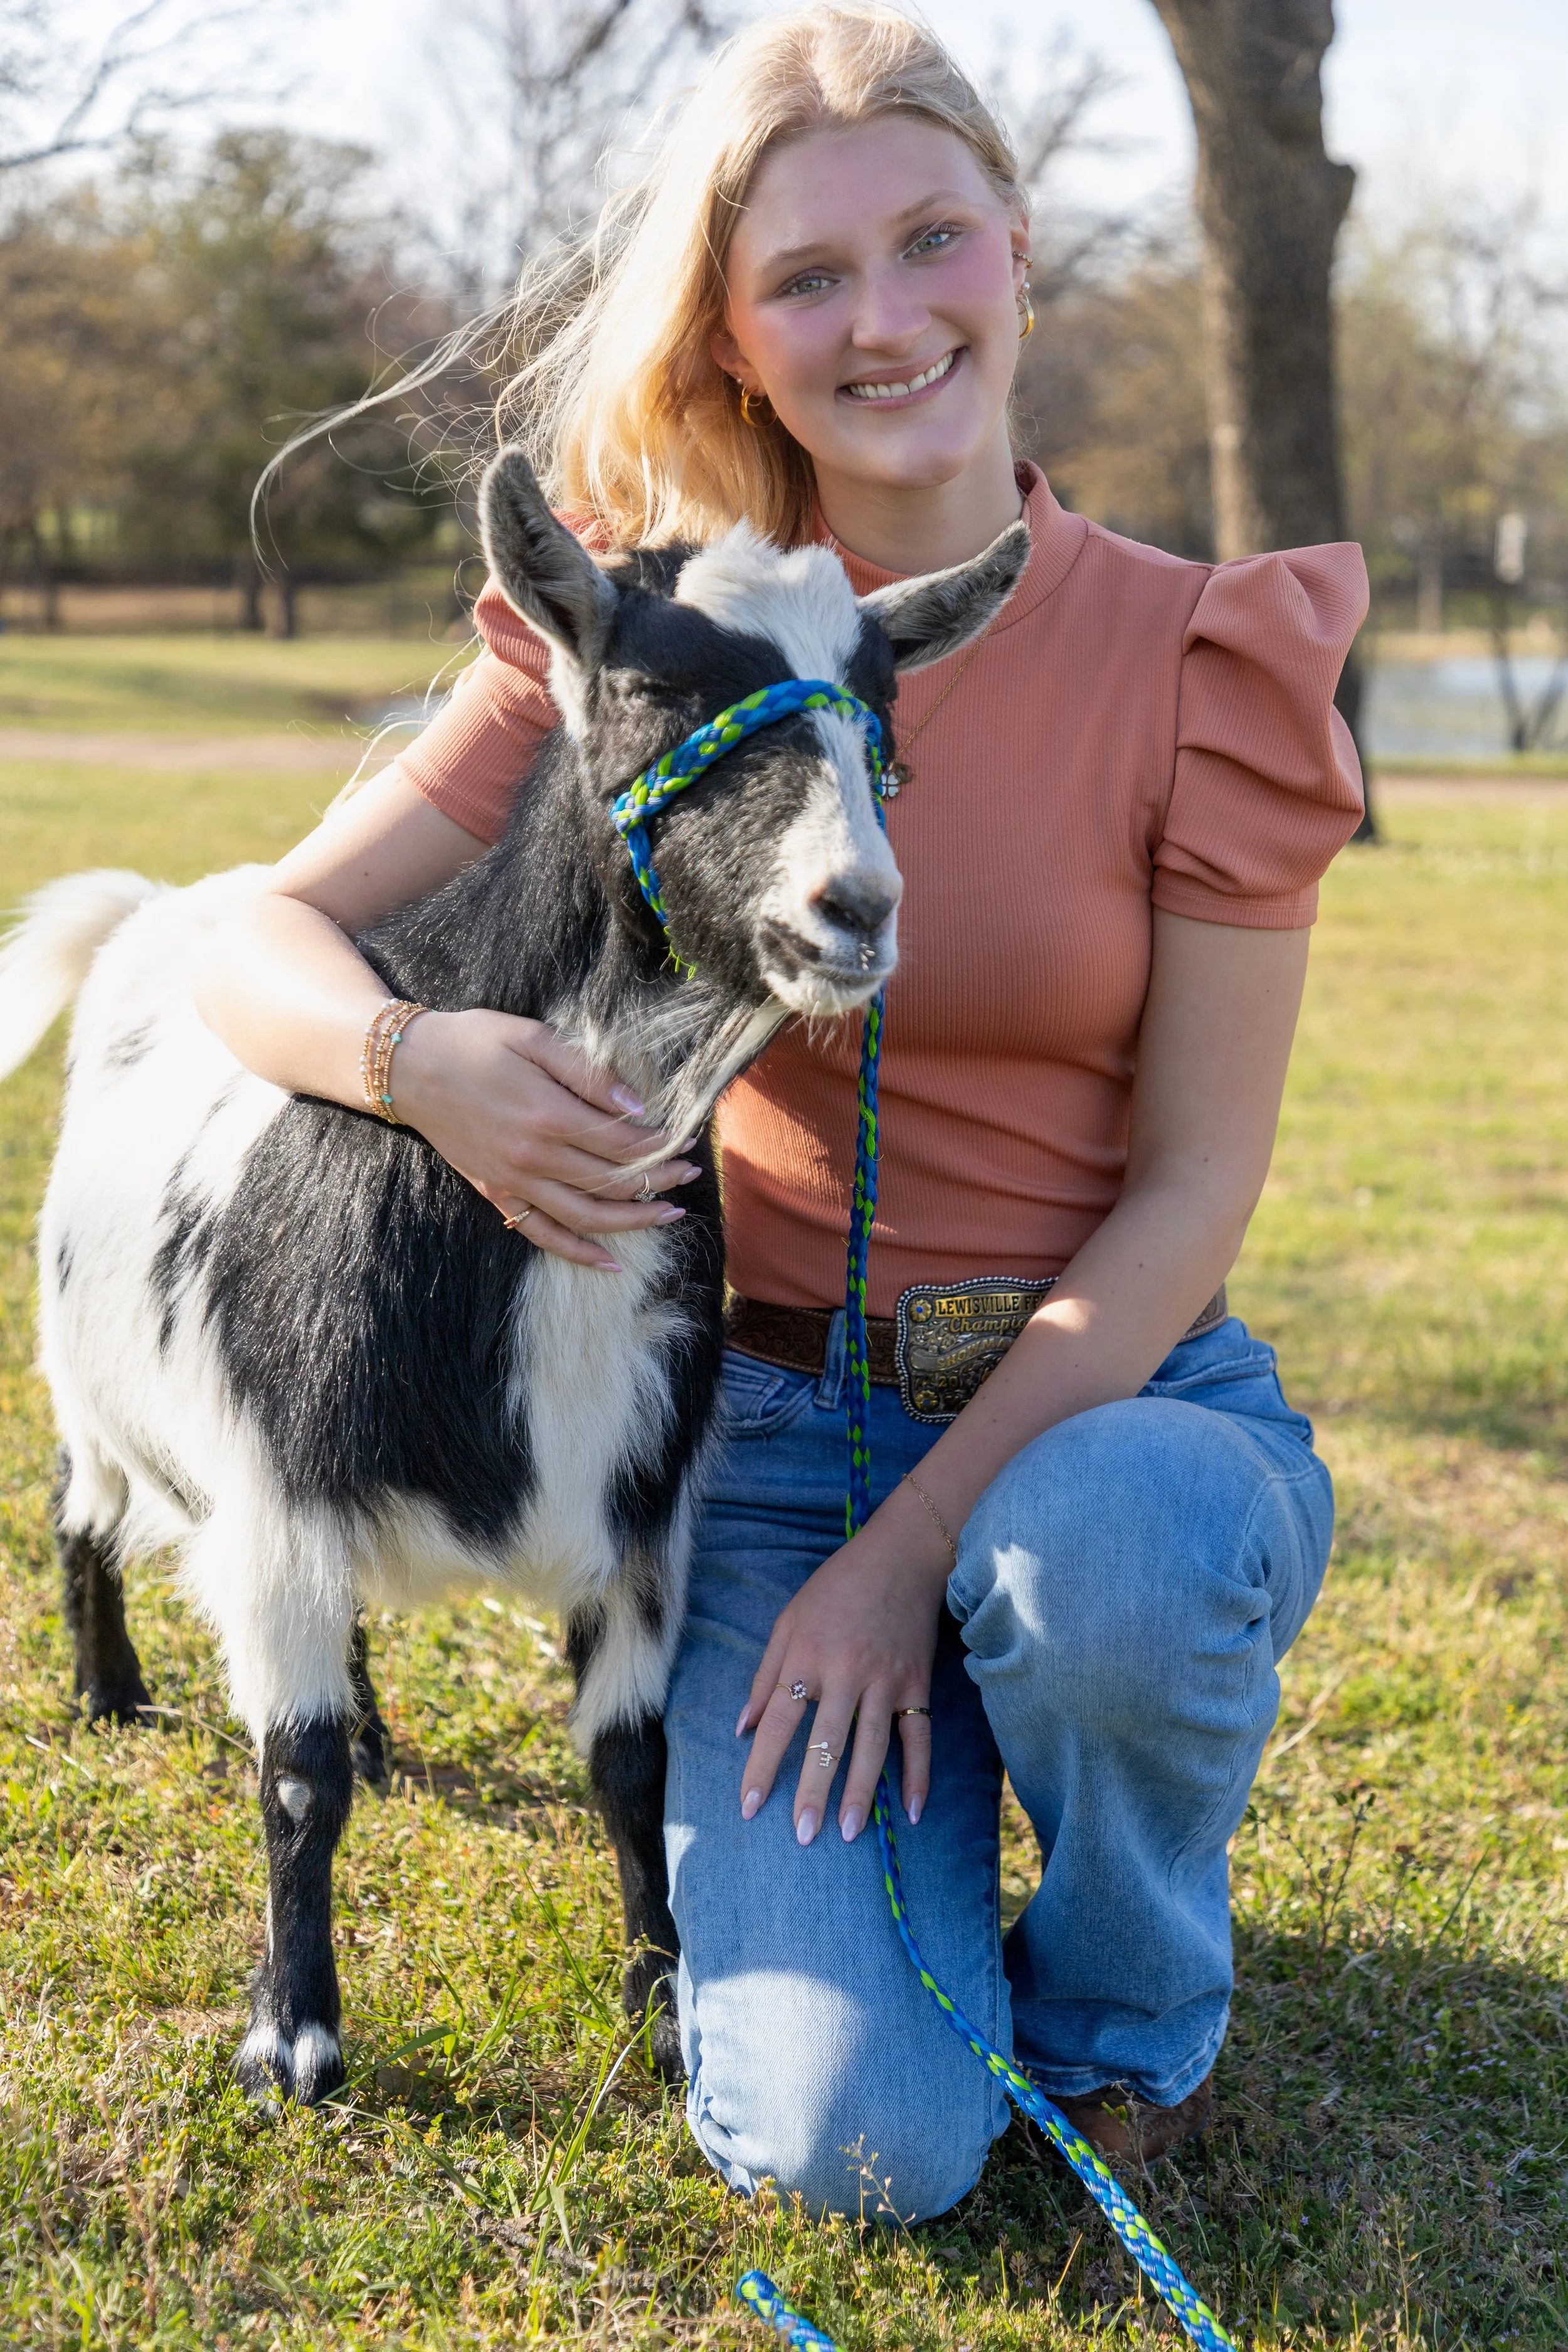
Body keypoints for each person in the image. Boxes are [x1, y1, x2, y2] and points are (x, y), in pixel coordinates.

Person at [195, 4, 1367, 2218]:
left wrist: (904, 1563)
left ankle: (1126, 2013)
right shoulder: (648, 628)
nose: (885, 316)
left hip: (1107, 1407)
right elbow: (252, 934)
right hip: (749, 1442)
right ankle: (896, 1931)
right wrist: (414, 1063)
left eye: (931, 240)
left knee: (1094, 1559)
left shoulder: (1205, 656)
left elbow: (1197, 1187)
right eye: (805, 277)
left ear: (1014, 249)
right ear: (732, 338)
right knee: (845, 2149)